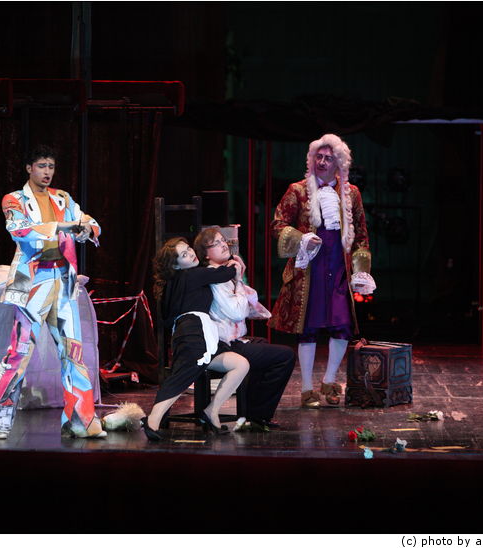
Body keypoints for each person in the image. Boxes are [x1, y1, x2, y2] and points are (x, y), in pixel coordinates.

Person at [0, 145, 106, 439]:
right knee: (19, 352)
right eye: (41, 166)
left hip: (63, 280)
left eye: (51, 166)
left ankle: (80, 420)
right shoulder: (14, 199)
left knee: (73, 351)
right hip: (33, 282)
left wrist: (88, 229)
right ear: (29, 168)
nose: (47, 172)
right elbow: (21, 230)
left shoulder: (62, 198)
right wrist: (64, 226)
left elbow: (89, 221)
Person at [269, 134, 376, 409]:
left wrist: (361, 271)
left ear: (339, 163)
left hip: (339, 268)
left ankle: (329, 382)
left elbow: (361, 235)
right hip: (310, 269)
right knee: (309, 328)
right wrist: (301, 238)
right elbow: (278, 224)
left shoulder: (351, 193)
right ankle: (306, 389)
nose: (322, 162)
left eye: (328, 158)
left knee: (341, 326)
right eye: (318, 156)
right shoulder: (297, 190)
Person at [141, 237, 250, 441]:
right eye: (184, 255)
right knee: (183, 375)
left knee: (240, 364)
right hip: (194, 332)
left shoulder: (174, 283)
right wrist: (235, 264)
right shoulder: (192, 274)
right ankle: (153, 419)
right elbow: (224, 273)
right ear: (176, 265)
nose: (191, 254)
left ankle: (211, 411)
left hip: (196, 334)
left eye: (189, 249)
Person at [192, 227, 295, 431]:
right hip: (222, 345)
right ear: (206, 254)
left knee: (263, 346)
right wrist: (238, 281)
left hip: (234, 340)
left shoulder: (225, 273)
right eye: (216, 243)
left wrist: (239, 276)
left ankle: (253, 414)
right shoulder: (214, 277)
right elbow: (238, 312)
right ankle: (256, 414)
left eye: (223, 241)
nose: (223, 245)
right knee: (285, 356)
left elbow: (252, 301)